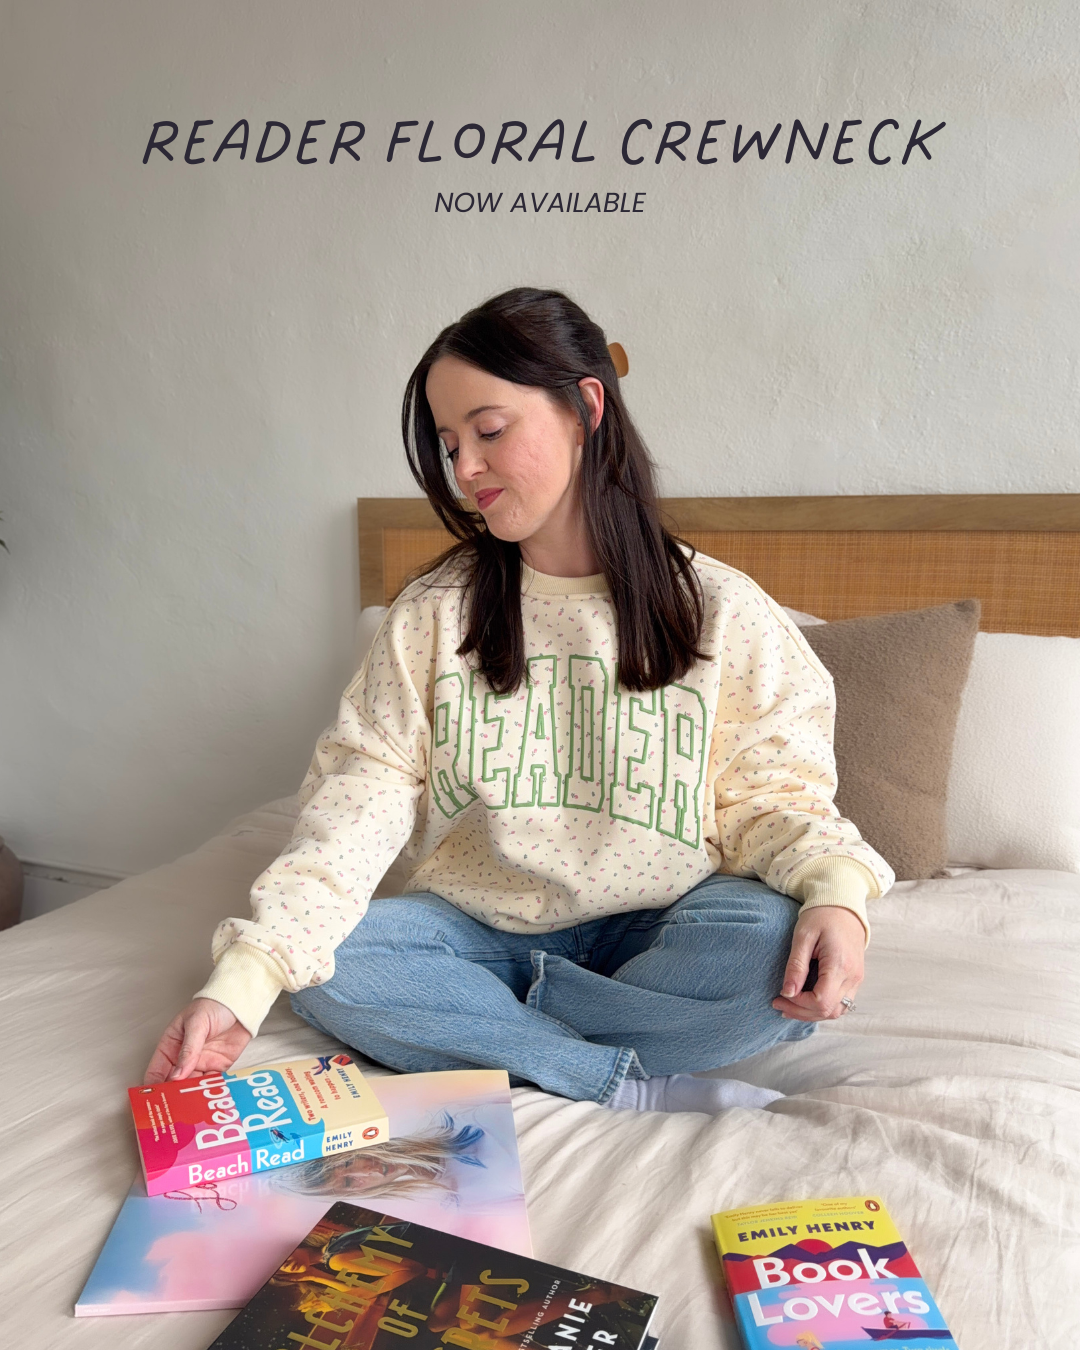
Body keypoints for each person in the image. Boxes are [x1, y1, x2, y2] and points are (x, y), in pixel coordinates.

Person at [145, 287, 895, 1114]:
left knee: (768, 942)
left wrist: (837, 891)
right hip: (477, 937)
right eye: (448, 442)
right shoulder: (435, 613)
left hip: (664, 923)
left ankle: (501, 1041)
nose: (464, 468)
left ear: (584, 407)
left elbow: (774, 798)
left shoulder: (720, 609)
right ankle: (605, 1073)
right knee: (336, 965)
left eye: (490, 431)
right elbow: (354, 807)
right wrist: (246, 978)